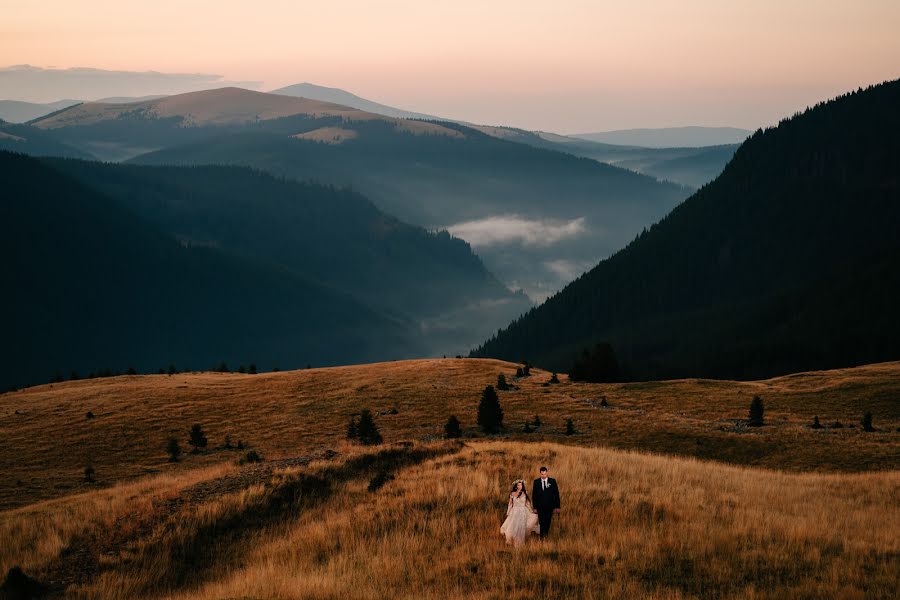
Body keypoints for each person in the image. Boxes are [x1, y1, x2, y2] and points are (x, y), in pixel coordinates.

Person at [500, 479, 540, 546]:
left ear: (522, 486)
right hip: (514, 512)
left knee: (521, 527)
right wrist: (508, 512)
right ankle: (512, 541)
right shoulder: (512, 493)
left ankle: (520, 543)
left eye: (521, 485)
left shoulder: (525, 493)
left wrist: (531, 511)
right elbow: (510, 504)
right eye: (518, 485)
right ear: (516, 486)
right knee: (513, 526)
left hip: (523, 512)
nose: (519, 486)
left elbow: (527, 503)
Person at [531, 466, 560, 539]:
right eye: (542, 474)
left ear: (547, 473)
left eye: (544, 474)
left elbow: (556, 494)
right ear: (540, 474)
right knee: (541, 522)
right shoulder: (536, 482)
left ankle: (545, 535)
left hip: (550, 506)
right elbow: (534, 495)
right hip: (540, 507)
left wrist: (557, 506)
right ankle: (541, 537)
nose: (543, 476)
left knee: (548, 522)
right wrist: (535, 507)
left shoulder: (552, 481)